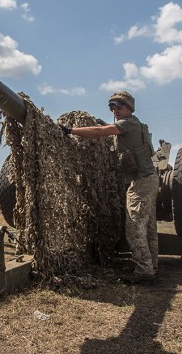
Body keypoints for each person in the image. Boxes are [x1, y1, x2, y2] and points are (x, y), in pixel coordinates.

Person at [59, 91, 159, 285]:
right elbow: (108, 130)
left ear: (130, 108)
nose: (115, 111)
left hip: (141, 181)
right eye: (112, 108)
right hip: (146, 179)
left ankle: (144, 271)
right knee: (148, 226)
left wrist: (70, 131)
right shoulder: (132, 125)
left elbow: (99, 133)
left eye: (119, 107)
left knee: (134, 225)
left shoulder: (129, 123)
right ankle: (151, 266)